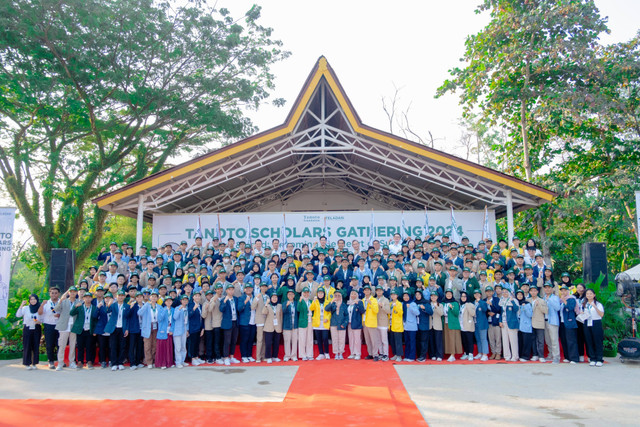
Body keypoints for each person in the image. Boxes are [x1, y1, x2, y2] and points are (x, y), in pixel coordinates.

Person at [70, 292, 98, 369]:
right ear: (83, 298)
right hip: (81, 329)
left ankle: (89, 361)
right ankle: (80, 361)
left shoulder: (94, 308)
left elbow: (96, 320)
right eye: (86, 297)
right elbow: (71, 313)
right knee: (80, 346)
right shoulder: (80, 307)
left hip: (90, 329)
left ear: (92, 299)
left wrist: (95, 330)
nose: (88, 299)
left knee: (89, 346)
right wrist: (75, 306)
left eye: (89, 297)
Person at [105, 290, 130, 371]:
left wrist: (127, 329)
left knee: (122, 346)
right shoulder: (113, 305)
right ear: (116, 296)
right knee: (113, 346)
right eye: (119, 295)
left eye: (122, 295)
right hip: (114, 328)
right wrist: (108, 305)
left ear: (124, 297)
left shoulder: (127, 306)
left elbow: (127, 318)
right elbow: (106, 311)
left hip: (122, 327)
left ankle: (120, 362)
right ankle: (114, 363)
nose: (121, 297)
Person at [55, 287, 79, 370]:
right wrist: (60, 300)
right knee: (62, 345)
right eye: (71, 292)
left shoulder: (79, 302)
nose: (72, 293)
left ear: (76, 293)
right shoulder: (64, 301)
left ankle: (72, 362)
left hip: (73, 326)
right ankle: (60, 363)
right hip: (63, 326)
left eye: (74, 292)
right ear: (68, 293)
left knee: (72, 345)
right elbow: (56, 309)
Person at [38, 286, 61, 369]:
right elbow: (40, 313)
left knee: (59, 344)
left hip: (59, 326)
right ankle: (50, 361)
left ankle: (60, 361)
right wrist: (42, 305)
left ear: (59, 294)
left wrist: (60, 315)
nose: (54, 295)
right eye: (52, 293)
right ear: (49, 294)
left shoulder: (61, 302)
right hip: (48, 325)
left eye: (56, 293)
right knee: (49, 344)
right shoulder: (46, 303)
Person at [17, 294, 42, 370]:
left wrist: (39, 321)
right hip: (27, 328)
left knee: (35, 346)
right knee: (27, 346)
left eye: (34, 299)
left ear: (37, 300)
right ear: (29, 301)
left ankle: (34, 363)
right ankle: (27, 363)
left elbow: (43, 318)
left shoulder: (40, 308)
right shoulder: (25, 308)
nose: (33, 301)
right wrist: (21, 305)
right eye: (31, 299)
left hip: (36, 328)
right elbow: (18, 315)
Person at [139, 290, 163, 368]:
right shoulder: (146, 305)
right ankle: (148, 361)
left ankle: (153, 360)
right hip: (147, 327)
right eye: (152, 296)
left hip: (156, 327)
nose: (153, 298)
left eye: (155, 297)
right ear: (150, 297)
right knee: (147, 345)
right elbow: (139, 313)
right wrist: (146, 305)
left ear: (157, 298)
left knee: (155, 345)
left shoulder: (159, 306)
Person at [582, 288, 605, 367]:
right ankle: (592, 358)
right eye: (587, 294)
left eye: (591, 294)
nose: (589, 295)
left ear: (594, 295)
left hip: (596, 323)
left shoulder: (598, 304)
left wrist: (595, 307)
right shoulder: (584, 304)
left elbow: (601, 315)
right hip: (587, 323)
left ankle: (599, 359)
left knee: (597, 341)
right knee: (589, 341)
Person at [219, 284, 241, 366]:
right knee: (227, 341)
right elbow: (221, 309)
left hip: (235, 321)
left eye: (232, 289)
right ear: (226, 291)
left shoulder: (235, 299)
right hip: (227, 322)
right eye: (229, 289)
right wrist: (225, 301)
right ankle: (225, 357)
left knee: (233, 340)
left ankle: (231, 356)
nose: (231, 291)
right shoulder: (223, 299)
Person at [559, 285, 579, 364]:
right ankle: (567, 356)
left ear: (568, 291)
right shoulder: (560, 301)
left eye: (565, 290)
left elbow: (570, 308)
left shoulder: (571, 299)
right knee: (564, 340)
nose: (563, 292)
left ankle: (574, 358)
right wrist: (563, 300)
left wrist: (565, 301)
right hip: (562, 322)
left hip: (570, 322)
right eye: (562, 291)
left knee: (571, 340)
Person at [310, 287, 332, 360]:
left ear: (324, 294)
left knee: (325, 338)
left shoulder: (327, 301)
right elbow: (311, 308)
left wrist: (327, 318)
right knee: (319, 339)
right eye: (319, 293)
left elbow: (329, 312)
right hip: (317, 323)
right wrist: (314, 301)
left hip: (325, 323)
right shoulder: (315, 301)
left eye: (322, 293)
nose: (320, 294)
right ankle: (321, 353)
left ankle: (327, 352)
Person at [498, 287, 519, 362]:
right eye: (503, 292)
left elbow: (516, 309)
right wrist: (500, 321)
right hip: (504, 322)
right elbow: (501, 312)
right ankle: (507, 355)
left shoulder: (514, 300)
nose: (504, 293)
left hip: (512, 322)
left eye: (506, 292)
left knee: (513, 340)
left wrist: (512, 301)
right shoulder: (501, 301)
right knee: (505, 339)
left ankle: (515, 356)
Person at [325, 291, 348, 360]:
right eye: (336, 296)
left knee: (341, 339)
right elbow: (326, 309)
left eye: (339, 296)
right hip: (334, 324)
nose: (337, 297)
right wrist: (332, 301)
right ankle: (336, 353)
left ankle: (341, 353)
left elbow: (346, 316)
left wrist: (344, 324)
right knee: (334, 339)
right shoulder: (333, 304)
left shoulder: (344, 305)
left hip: (341, 324)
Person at [543, 281, 562, 363]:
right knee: (548, 340)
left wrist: (549, 300)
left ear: (552, 289)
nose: (547, 289)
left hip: (553, 321)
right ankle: (550, 354)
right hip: (545, 321)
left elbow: (557, 308)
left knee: (554, 339)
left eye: (549, 288)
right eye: (546, 288)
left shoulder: (555, 297)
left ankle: (556, 357)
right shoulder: (543, 298)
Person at [528, 285, 548, 363]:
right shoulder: (528, 300)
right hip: (530, 323)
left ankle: (541, 356)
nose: (533, 292)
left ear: (537, 292)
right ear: (529, 292)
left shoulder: (541, 300)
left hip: (539, 322)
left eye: (535, 291)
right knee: (533, 340)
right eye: (531, 291)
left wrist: (539, 304)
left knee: (540, 340)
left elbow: (545, 311)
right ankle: (535, 355)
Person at [262, 293, 283, 363]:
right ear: (270, 299)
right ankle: (268, 357)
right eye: (273, 297)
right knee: (268, 343)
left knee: (276, 342)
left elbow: (281, 316)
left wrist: (281, 325)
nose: (274, 299)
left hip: (277, 326)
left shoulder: (280, 306)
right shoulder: (267, 306)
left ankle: (275, 356)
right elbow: (263, 312)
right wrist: (266, 304)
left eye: (276, 297)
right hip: (269, 326)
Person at [443, 288, 462, 362]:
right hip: (445, 323)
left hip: (453, 323)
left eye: (450, 294)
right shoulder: (443, 303)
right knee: (447, 339)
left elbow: (456, 313)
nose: (448, 295)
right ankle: (449, 353)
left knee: (453, 339)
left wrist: (452, 308)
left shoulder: (455, 303)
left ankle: (453, 354)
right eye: (447, 294)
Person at [361, 284, 380, 360]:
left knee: (374, 340)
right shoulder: (362, 300)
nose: (367, 291)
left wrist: (370, 304)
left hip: (371, 323)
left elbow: (376, 310)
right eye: (365, 290)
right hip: (364, 322)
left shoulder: (374, 300)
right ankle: (370, 353)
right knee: (368, 340)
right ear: (363, 291)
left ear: (370, 291)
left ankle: (376, 354)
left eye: (368, 290)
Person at [155, 295, 174, 369]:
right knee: (162, 348)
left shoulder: (173, 309)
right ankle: (162, 363)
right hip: (162, 331)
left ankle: (169, 362)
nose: (169, 302)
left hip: (170, 330)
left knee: (169, 347)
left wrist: (172, 329)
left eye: (170, 301)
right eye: (167, 301)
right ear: (165, 302)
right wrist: (165, 310)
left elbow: (174, 321)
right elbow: (159, 319)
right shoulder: (161, 309)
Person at [346, 289, 365, 360]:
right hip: (349, 324)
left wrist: (357, 304)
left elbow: (362, 311)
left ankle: (358, 353)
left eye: (354, 294)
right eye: (352, 294)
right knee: (351, 339)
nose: (353, 295)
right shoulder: (348, 303)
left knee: (357, 339)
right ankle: (352, 353)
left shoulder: (359, 302)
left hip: (356, 324)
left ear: (357, 295)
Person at [414, 290, 433, 362]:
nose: (417, 296)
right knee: (418, 341)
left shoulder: (426, 302)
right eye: (416, 295)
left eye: (419, 294)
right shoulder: (414, 302)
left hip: (424, 325)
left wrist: (424, 308)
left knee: (423, 342)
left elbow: (431, 312)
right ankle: (419, 355)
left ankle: (423, 356)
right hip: (416, 325)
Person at [171, 294, 189, 368]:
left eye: (186, 300)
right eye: (183, 300)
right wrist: (179, 309)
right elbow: (175, 317)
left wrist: (187, 330)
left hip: (184, 328)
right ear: (181, 301)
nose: (185, 301)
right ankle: (178, 362)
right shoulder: (177, 308)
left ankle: (182, 360)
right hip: (177, 329)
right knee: (177, 346)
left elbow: (187, 321)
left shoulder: (187, 308)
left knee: (183, 346)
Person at [484, 286, 502, 360]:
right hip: (488, 322)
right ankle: (493, 352)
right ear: (485, 292)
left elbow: (499, 309)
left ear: (493, 292)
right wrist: (488, 312)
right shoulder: (484, 300)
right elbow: (483, 311)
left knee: (498, 338)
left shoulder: (496, 299)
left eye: (490, 291)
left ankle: (498, 353)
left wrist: (491, 304)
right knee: (491, 339)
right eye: (487, 291)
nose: (489, 293)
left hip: (496, 321)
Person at [297, 287, 314, 361]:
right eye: (305, 292)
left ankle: (309, 354)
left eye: (307, 292)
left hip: (310, 321)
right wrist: (300, 301)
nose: (306, 294)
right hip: (302, 322)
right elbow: (298, 309)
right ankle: (303, 354)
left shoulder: (311, 301)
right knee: (302, 339)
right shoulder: (301, 300)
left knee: (309, 338)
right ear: (302, 293)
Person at [402, 291, 420, 362]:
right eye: (404, 296)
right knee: (407, 342)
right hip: (405, 326)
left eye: (407, 296)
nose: (405, 297)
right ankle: (406, 356)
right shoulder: (403, 303)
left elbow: (417, 313)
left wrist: (410, 308)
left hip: (412, 326)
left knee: (412, 342)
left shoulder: (413, 303)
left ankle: (412, 357)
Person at [516, 290, 533, 362]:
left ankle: (526, 356)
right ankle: (520, 355)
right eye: (518, 295)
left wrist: (525, 307)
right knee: (520, 341)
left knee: (526, 341)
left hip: (526, 325)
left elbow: (530, 315)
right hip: (518, 326)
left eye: (521, 295)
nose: (519, 296)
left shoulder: (527, 304)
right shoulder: (515, 303)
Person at [282, 289, 298, 362]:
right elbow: (283, 311)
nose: (290, 296)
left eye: (292, 294)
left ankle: (294, 355)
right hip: (287, 325)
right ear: (287, 296)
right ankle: (287, 355)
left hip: (295, 325)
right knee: (287, 341)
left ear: (294, 295)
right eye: (289, 294)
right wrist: (287, 305)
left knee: (294, 340)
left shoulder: (296, 303)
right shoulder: (284, 303)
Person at [473, 289, 490, 361]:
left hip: (482, 323)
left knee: (483, 339)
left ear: (480, 295)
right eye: (475, 294)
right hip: (475, 323)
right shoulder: (473, 303)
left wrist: (479, 301)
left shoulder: (483, 302)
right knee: (478, 339)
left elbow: (485, 309)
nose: (476, 295)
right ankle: (480, 353)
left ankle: (485, 354)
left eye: (478, 294)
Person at [459, 291, 476, 361]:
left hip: (468, 325)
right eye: (462, 296)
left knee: (469, 341)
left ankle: (471, 354)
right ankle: (466, 353)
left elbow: (473, 314)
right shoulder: (460, 305)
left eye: (464, 296)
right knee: (464, 341)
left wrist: (467, 305)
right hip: (462, 325)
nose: (463, 298)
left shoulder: (470, 304)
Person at [388, 289, 404, 361]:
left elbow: (400, 313)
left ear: (397, 296)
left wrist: (396, 307)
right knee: (392, 341)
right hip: (391, 324)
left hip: (397, 325)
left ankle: (399, 355)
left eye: (394, 295)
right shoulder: (390, 303)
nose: (393, 296)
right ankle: (395, 354)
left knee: (398, 341)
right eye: (392, 295)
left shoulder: (399, 304)